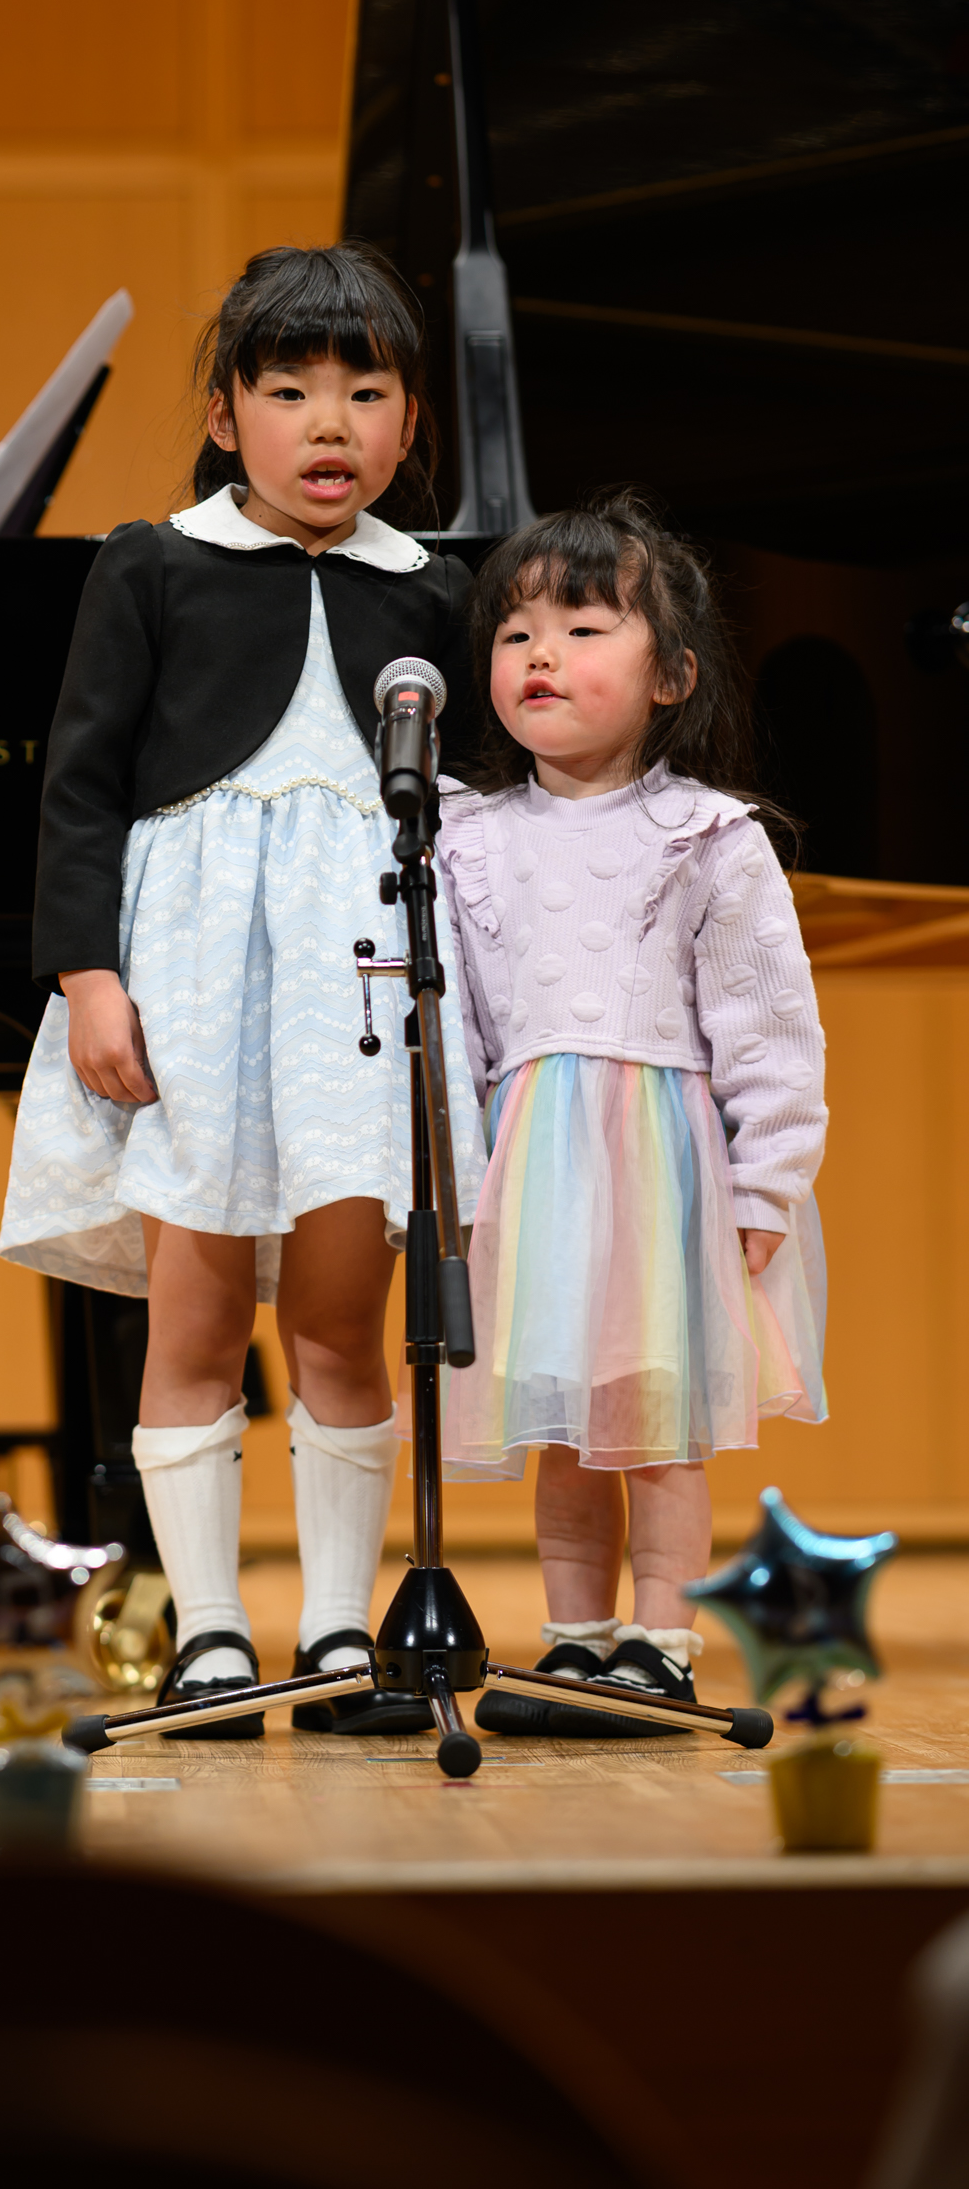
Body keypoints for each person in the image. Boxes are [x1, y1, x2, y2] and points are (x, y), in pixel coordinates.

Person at [0, 242, 486, 1737]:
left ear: (410, 428)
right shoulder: (151, 563)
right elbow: (76, 790)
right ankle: (211, 1631)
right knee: (194, 1318)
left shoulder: (441, 589)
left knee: (343, 1323)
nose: (327, 423)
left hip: (365, 984)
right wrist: (90, 978)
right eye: (288, 390)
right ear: (226, 418)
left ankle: (339, 1630)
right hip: (192, 980)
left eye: (364, 391)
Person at [436, 493, 828, 1735]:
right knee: (564, 1426)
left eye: (581, 625)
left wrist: (763, 1186)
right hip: (533, 1175)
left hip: (662, 1174)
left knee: (655, 1424)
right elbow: (461, 1035)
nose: (538, 653)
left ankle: (658, 1639)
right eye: (512, 633)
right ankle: (571, 1638)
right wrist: (455, 1179)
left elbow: (769, 1025)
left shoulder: (706, 838)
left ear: (670, 675)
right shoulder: (465, 839)